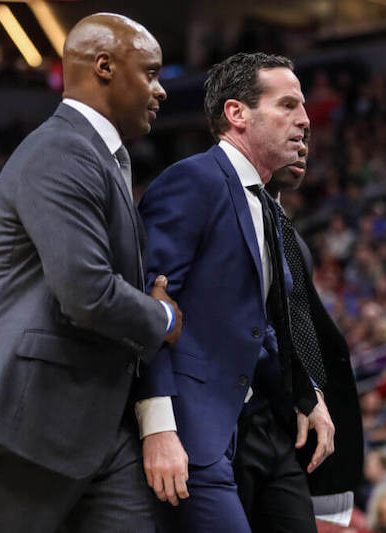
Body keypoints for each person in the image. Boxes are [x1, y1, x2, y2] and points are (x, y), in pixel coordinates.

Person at [0, 13, 180, 532]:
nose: (160, 90)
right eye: (151, 73)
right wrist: (163, 317)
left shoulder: (98, 156)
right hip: (24, 421)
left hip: (95, 425)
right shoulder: (61, 149)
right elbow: (87, 293)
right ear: (104, 67)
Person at [137, 52, 328, 533]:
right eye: (287, 105)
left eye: (303, 106)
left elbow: (266, 322)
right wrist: (157, 425)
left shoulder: (266, 206)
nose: (305, 120)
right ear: (237, 113)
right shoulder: (192, 180)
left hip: (258, 426)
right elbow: (145, 310)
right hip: (194, 431)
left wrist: (307, 393)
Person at [262, 128, 364, 521]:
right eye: (287, 112)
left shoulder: (289, 232)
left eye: (306, 136)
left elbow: (299, 325)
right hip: (252, 426)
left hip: (297, 433)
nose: (302, 145)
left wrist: (311, 391)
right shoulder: (236, 214)